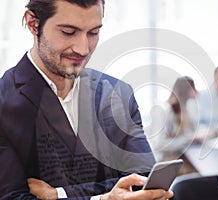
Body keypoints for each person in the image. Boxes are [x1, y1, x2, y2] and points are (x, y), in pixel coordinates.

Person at [0, 0, 173, 199]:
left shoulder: (118, 94)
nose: (83, 49)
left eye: (93, 33)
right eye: (68, 32)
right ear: (33, 23)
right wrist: (104, 196)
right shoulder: (4, 102)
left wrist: (59, 194)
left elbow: (143, 183)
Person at [158, 76, 198, 175]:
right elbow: (161, 145)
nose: (196, 92)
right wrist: (188, 138)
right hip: (168, 160)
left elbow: (191, 132)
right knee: (197, 176)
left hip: (181, 157)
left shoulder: (186, 109)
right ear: (185, 90)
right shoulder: (168, 111)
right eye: (193, 88)